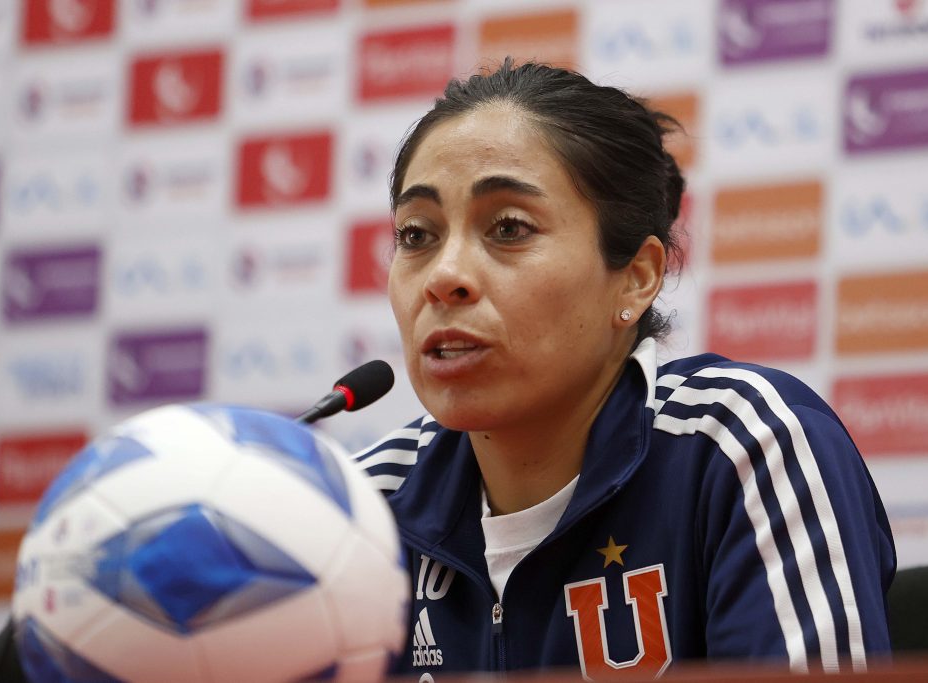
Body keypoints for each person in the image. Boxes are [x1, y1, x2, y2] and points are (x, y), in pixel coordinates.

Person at [353, 58, 895, 678]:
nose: (445, 277)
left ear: (637, 278)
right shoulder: (360, 510)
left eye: (508, 228)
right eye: (416, 235)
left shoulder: (743, 447)